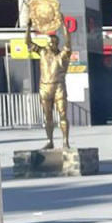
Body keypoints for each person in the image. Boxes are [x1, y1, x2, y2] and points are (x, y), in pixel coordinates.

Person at [24, 18, 72, 150]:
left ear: (57, 44)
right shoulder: (43, 52)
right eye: (49, 42)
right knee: (47, 116)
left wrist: (63, 25)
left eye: (53, 43)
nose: (50, 45)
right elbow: (28, 43)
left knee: (62, 114)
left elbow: (68, 42)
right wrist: (28, 28)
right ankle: (49, 140)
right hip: (45, 87)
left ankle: (65, 141)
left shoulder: (63, 55)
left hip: (58, 87)